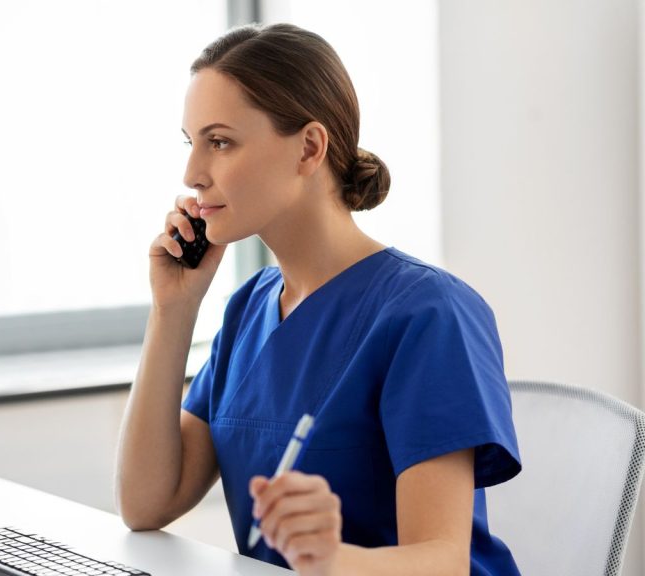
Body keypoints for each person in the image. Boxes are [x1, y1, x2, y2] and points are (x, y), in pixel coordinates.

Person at [115, 23, 522, 576]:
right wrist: (172, 309)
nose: (192, 175)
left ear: (309, 147)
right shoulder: (249, 309)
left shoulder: (429, 314)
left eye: (220, 142)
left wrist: (331, 561)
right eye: (192, 144)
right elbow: (146, 504)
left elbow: (443, 562)